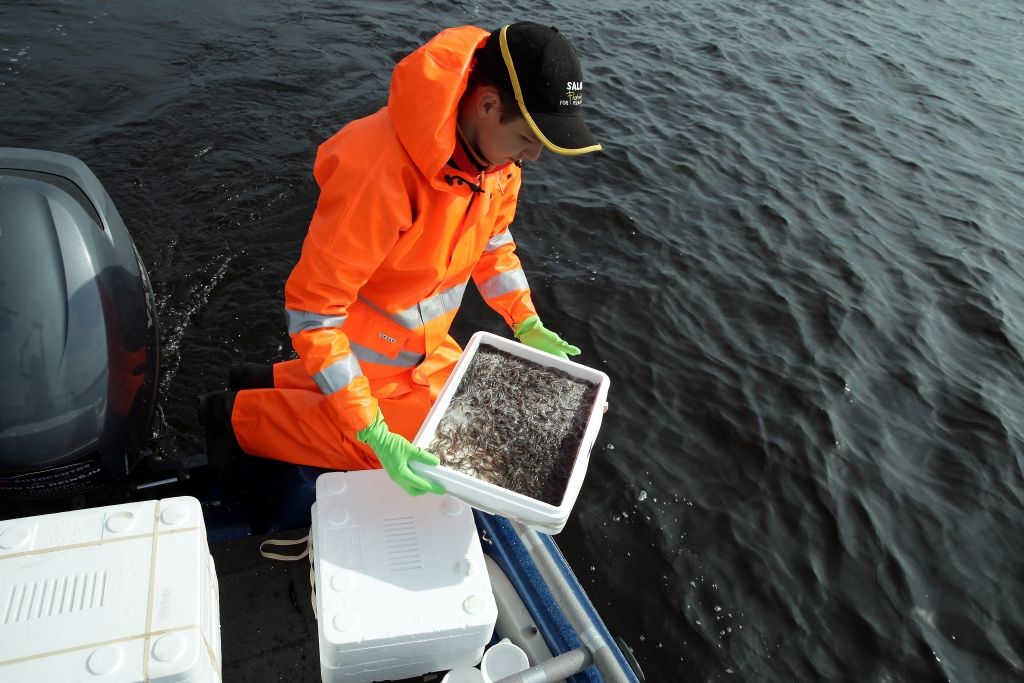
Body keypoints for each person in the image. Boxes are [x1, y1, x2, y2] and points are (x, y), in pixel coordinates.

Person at [198, 21, 602, 497]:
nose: (533, 156)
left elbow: (493, 242)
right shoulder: (378, 174)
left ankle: (258, 381)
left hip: (419, 346)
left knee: (462, 413)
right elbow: (313, 315)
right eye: (528, 138)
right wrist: (373, 432)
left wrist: (525, 321)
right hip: (357, 343)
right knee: (414, 450)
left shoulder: (497, 163)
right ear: (488, 105)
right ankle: (234, 419)